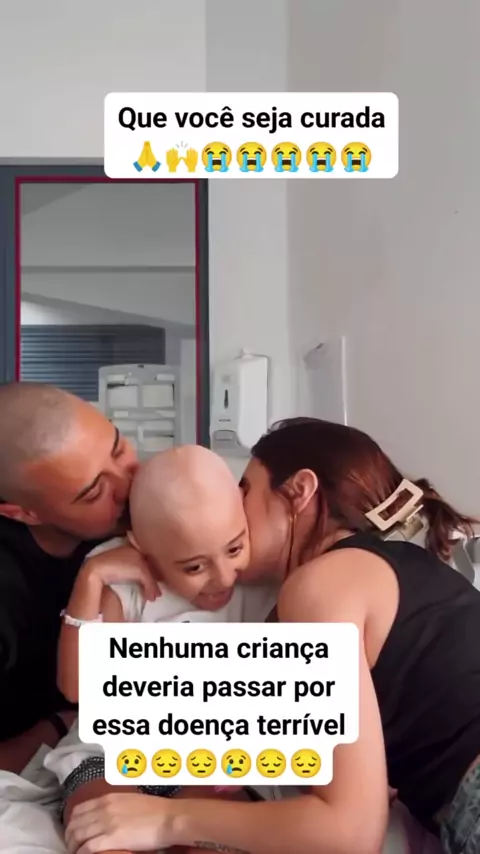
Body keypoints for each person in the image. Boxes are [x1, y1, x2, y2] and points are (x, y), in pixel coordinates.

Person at [66, 418, 480, 854]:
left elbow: (351, 832)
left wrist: (167, 819)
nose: (234, 509)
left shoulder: (319, 587)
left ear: (299, 491)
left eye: (244, 489)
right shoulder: (398, 568)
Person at [46, 445, 276, 854]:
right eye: (194, 567)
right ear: (143, 548)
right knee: (100, 835)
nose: (224, 577)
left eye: (234, 549)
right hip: (111, 754)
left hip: (210, 759)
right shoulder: (121, 576)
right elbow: (79, 688)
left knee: (216, 838)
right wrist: (92, 578)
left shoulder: (266, 575)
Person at [0, 382, 137, 771]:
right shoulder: (8, 589)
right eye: (94, 493)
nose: (127, 485)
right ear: (24, 513)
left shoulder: (143, 509)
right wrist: (63, 726)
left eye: (118, 449)